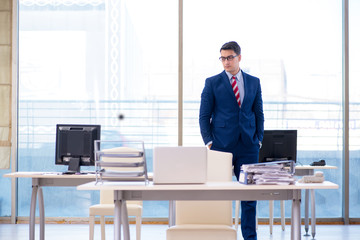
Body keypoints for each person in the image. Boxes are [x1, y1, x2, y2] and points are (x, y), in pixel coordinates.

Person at [199, 41, 264, 240]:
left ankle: (249, 237)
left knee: (249, 197)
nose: (226, 62)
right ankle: (218, 234)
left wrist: (259, 139)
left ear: (239, 57)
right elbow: (204, 115)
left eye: (229, 57)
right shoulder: (212, 82)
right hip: (221, 146)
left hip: (248, 146)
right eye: (223, 58)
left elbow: (258, 113)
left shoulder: (254, 82)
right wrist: (209, 142)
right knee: (218, 194)